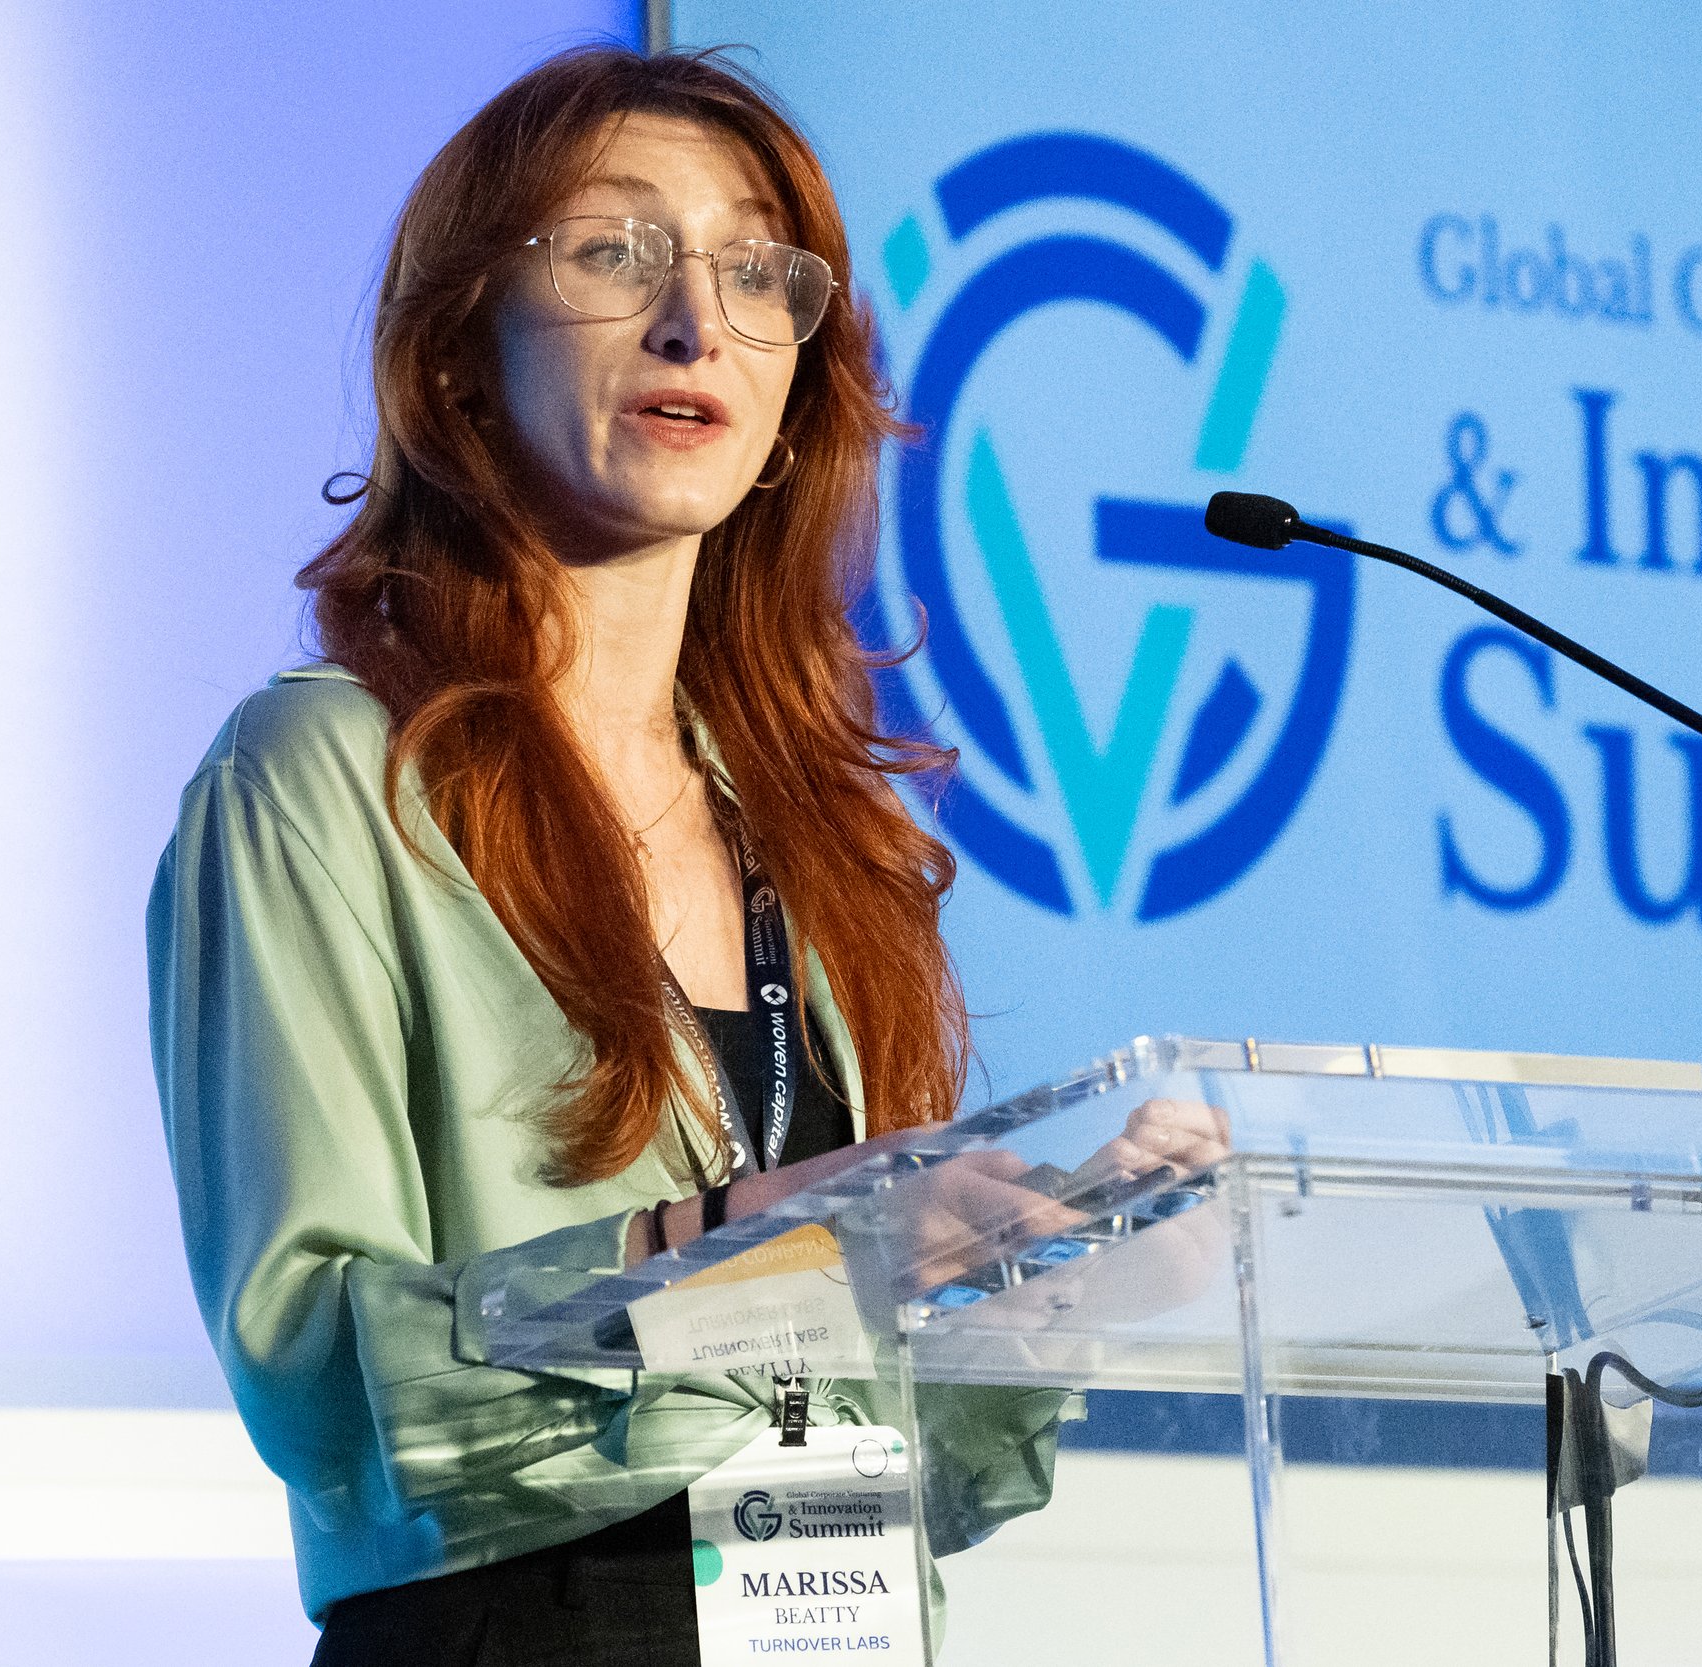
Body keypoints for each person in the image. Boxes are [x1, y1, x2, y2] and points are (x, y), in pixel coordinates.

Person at [145, 45, 1185, 1666]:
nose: (698, 319)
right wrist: (738, 1243)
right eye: (614, 250)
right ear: (459, 352)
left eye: (761, 271)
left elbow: (911, 1445)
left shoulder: (825, 841)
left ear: (791, 399)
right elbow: (318, 1385)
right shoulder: (329, 774)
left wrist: (1052, 1270)